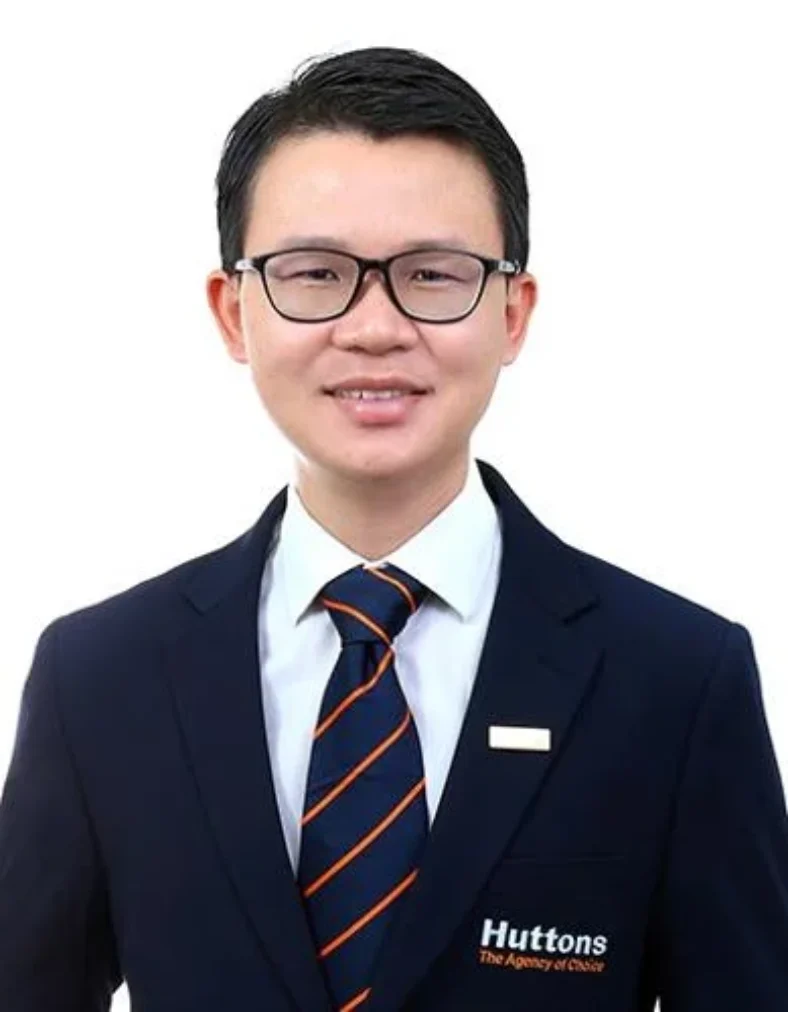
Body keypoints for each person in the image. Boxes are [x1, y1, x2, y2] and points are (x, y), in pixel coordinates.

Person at [1, 44, 786, 1012]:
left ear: (512, 312)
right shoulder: (99, 677)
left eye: (432, 274)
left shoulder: (676, 679)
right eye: (315, 272)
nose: (374, 328)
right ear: (233, 311)